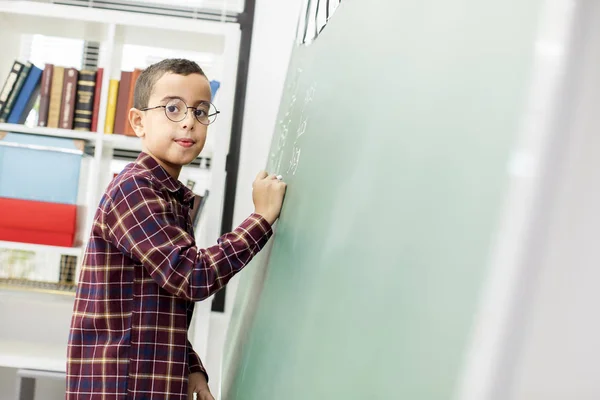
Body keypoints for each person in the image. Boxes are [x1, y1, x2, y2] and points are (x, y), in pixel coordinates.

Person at [66, 58, 286, 400]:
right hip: (121, 389)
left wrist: (191, 367)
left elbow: (158, 306)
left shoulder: (167, 195)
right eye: (172, 108)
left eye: (200, 111)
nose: (188, 122)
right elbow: (191, 275)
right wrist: (261, 218)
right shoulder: (135, 190)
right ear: (139, 121)